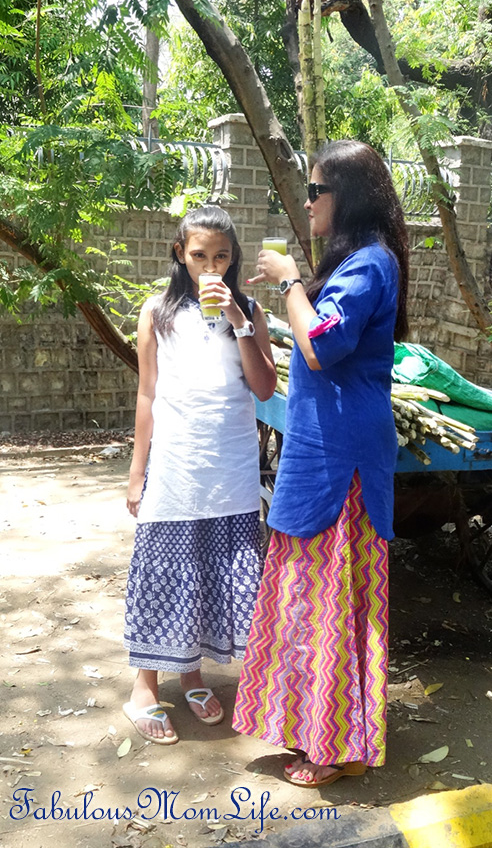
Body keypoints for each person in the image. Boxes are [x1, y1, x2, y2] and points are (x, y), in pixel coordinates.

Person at [233, 140, 409, 787]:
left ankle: (336, 746)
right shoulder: (357, 262)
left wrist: (287, 283)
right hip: (323, 449)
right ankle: (331, 732)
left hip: (344, 462)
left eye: (316, 191)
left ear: (350, 197)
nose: (307, 202)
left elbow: (322, 347)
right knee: (317, 597)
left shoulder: (370, 264)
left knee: (334, 599)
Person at [123, 205, 276, 744]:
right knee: (165, 570)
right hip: (176, 465)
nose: (210, 266)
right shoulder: (157, 312)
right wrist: (138, 471)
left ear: (233, 259)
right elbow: (147, 393)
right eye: (199, 255)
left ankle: (193, 675)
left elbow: (263, 389)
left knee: (211, 572)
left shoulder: (250, 310)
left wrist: (239, 322)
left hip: (229, 469)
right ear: (179, 254)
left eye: (221, 256)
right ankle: (145, 686)